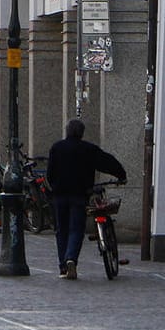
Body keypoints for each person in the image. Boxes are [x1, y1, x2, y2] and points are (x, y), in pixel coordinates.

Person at [45, 118, 126, 279]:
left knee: (62, 230)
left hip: (60, 195)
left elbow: (50, 173)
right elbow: (107, 162)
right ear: (82, 133)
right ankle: (71, 259)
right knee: (76, 229)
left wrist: (54, 187)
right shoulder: (88, 149)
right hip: (79, 195)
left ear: (67, 131)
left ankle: (63, 267)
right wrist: (121, 175)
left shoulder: (57, 147)